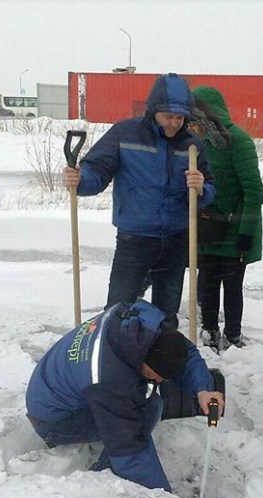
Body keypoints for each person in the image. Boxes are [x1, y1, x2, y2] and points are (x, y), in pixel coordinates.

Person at [62, 73, 215, 330]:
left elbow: (209, 188)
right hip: (135, 238)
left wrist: (201, 189)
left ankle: (160, 364)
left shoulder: (192, 145)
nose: (174, 123)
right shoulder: (125, 134)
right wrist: (80, 179)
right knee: (119, 308)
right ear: (153, 110)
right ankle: (114, 361)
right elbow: (97, 171)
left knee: (166, 313)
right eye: (168, 116)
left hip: (177, 239)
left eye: (180, 117)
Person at [26, 299, 225, 493]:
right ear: (144, 359)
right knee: (144, 410)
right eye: (156, 376)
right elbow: (129, 446)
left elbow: (183, 351)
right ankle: (104, 478)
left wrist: (203, 389)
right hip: (53, 420)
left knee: (149, 402)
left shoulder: (144, 326)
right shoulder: (109, 380)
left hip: (56, 387)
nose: (158, 381)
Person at [189, 85, 263, 351]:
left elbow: (253, 189)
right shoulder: (192, 144)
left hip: (234, 229)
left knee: (232, 286)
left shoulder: (237, 141)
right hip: (206, 227)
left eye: (197, 120)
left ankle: (233, 335)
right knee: (207, 282)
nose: (193, 126)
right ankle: (209, 332)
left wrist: (245, 231)